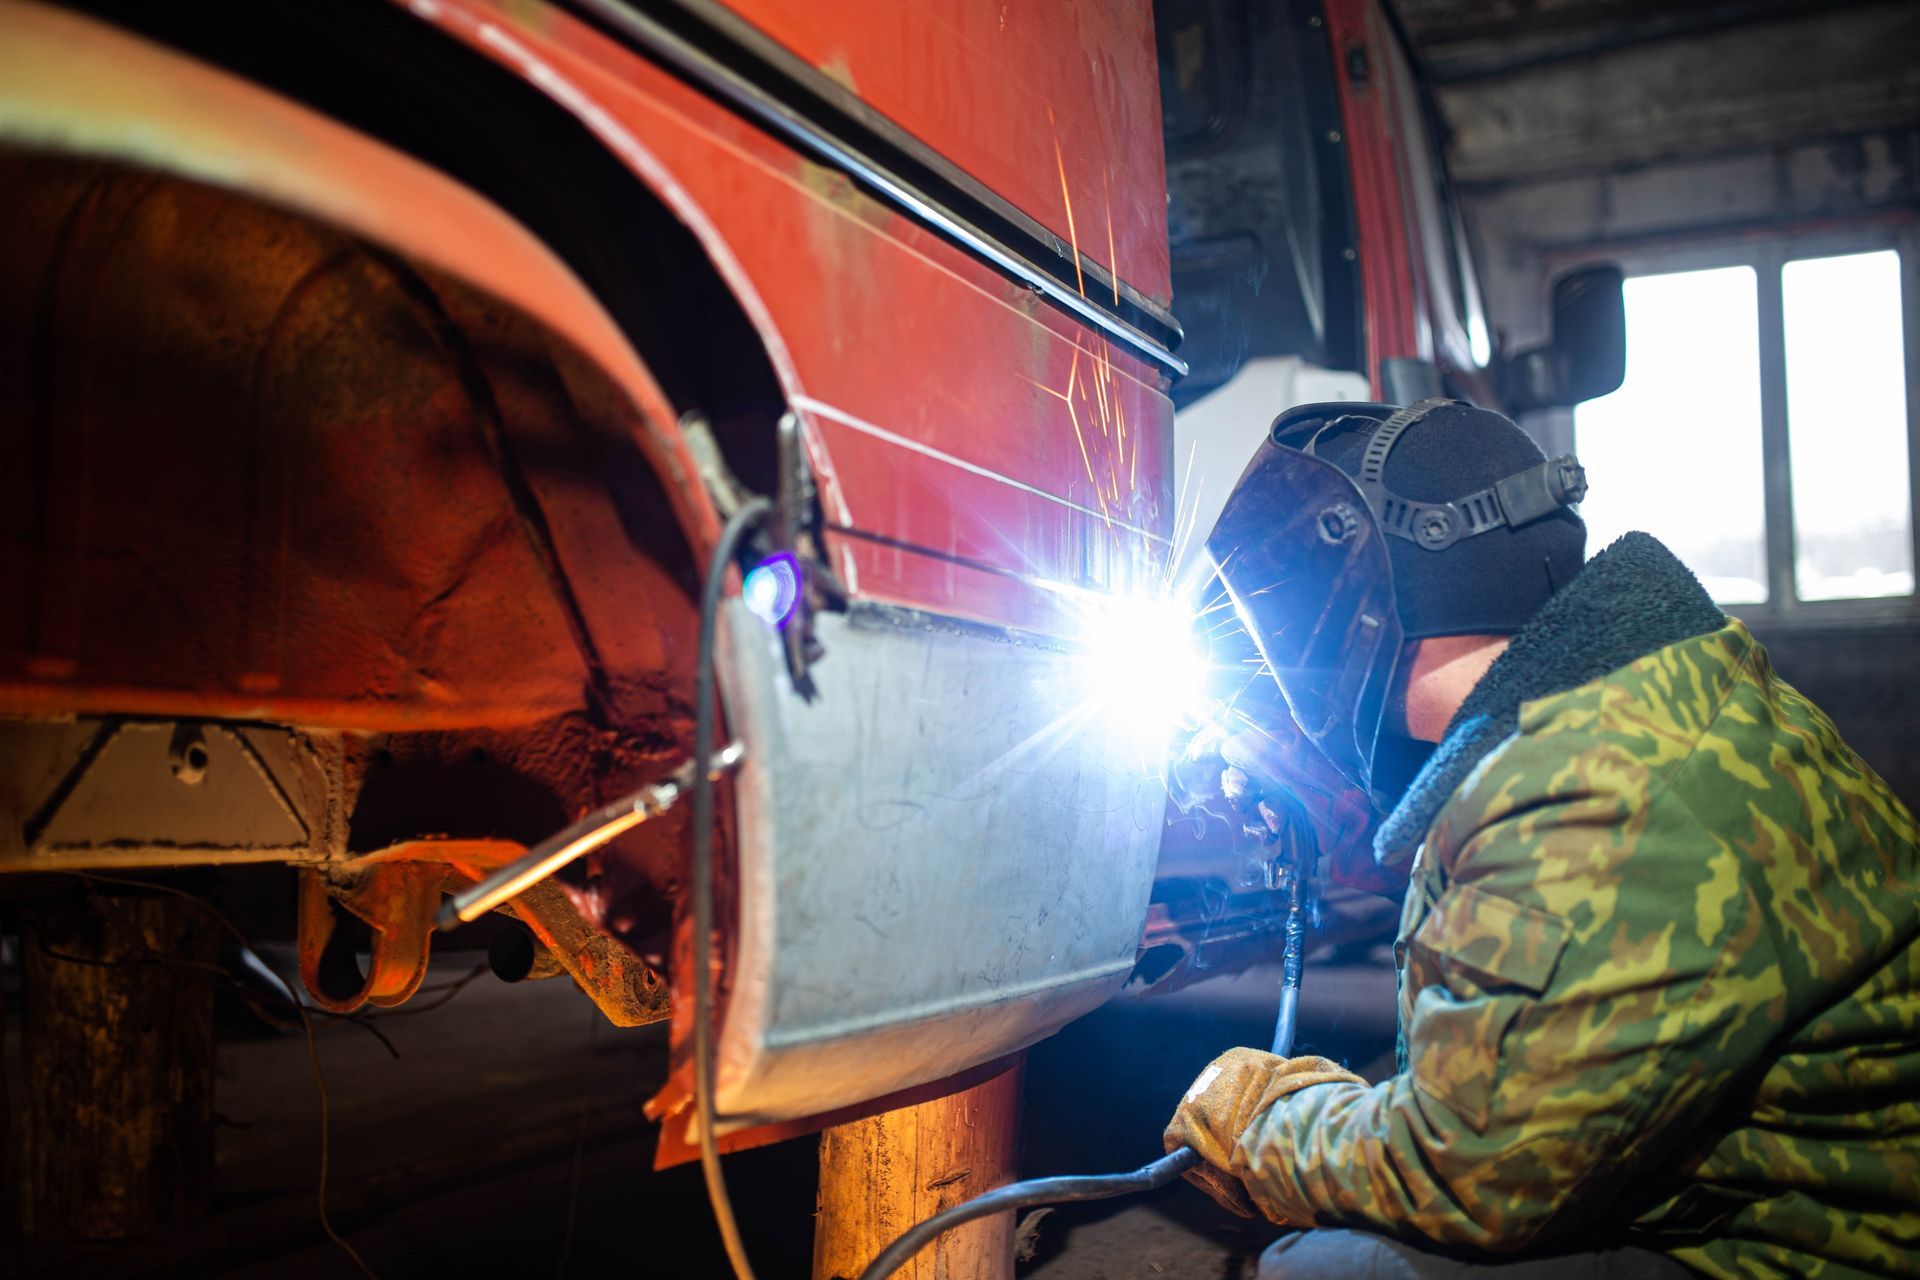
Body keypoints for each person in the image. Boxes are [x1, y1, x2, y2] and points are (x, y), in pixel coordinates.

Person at [1164, 399, 1920, 1279]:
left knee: (1326, 1269)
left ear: (1363, 597)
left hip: (1820, 1249)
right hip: (1782, 1192)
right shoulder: (1645, 695)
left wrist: (1260, 1120)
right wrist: (1387, 847)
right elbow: (1561, 932)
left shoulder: (1587, 793)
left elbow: (1463, 1170)